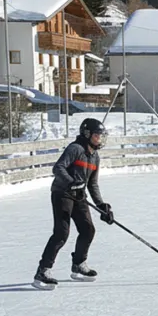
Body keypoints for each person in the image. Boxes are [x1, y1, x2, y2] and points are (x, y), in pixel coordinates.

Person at [33, 118, 114, 289]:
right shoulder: (75, 149)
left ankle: (78, 264)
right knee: (62, 233)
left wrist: (101, 206)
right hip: (62, 193)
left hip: (78, 195)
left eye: (101, 136)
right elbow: (58, 168)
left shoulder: (95, 156)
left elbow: (92, 183)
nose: (100, 139)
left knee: (88, 229)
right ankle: (43, 270)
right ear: (87, 134)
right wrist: (70, 183)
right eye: (97, 135)